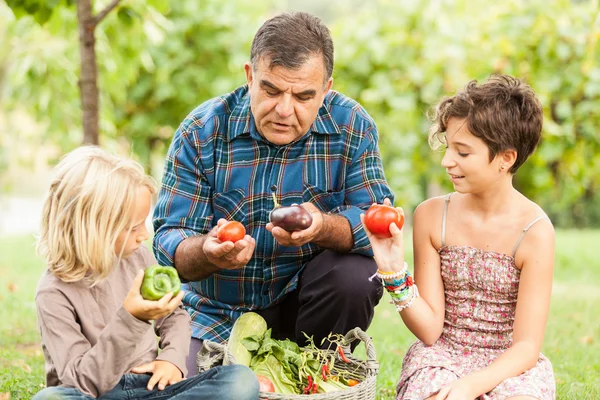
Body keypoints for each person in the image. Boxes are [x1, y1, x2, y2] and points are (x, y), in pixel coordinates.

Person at [153, 11, 394, 375]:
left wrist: (322, 226)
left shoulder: (352, 127)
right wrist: (208, 251)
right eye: (271, 90)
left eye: (303, 96)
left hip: (308, 310)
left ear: (326, 90)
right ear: (250, 76)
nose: (284, 109)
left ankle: (317, 365)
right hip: (217, 313)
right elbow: (168, 241)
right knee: (181, 387)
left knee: (353, 276)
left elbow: (377, 225)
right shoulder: (202, 131)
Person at [363, 75, 555, 399]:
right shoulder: (432, 217)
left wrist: (472, 386)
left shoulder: (534, 231)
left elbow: (526, 347)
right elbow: (430, 329)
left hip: (508, 365)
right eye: (448, 147)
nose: (446, 161)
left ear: (506, 159)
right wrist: (393, 269)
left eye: (462, 153)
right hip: (442, 357)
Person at [33, 146, 259, 399]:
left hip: (151, 387)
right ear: (92, 228)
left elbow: (174, 315)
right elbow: (79, 383)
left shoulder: (137, 257)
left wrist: (172, 359)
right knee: (50, 398)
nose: (144, 235)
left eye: (144, 223)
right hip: (98, 393)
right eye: (132, 227)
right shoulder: (53, 293)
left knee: (240, 380)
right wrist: (132, 317)